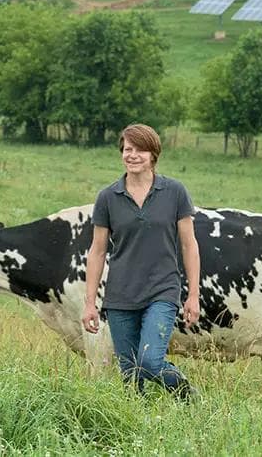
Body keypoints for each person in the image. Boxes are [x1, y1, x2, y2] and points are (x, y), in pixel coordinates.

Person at [81, 123, 200, 398]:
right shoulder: (108, 197)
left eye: (140, 150)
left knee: (149, 362)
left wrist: (193, 295)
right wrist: (90, 304)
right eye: (127, 149)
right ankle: (139, 428)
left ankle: (185, 393)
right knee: (130, 373)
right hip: (120, 295)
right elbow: (97, 251)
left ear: (153, 155)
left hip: (163, 290)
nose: (132, 155)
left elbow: (189, 245)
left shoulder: (175, 192)